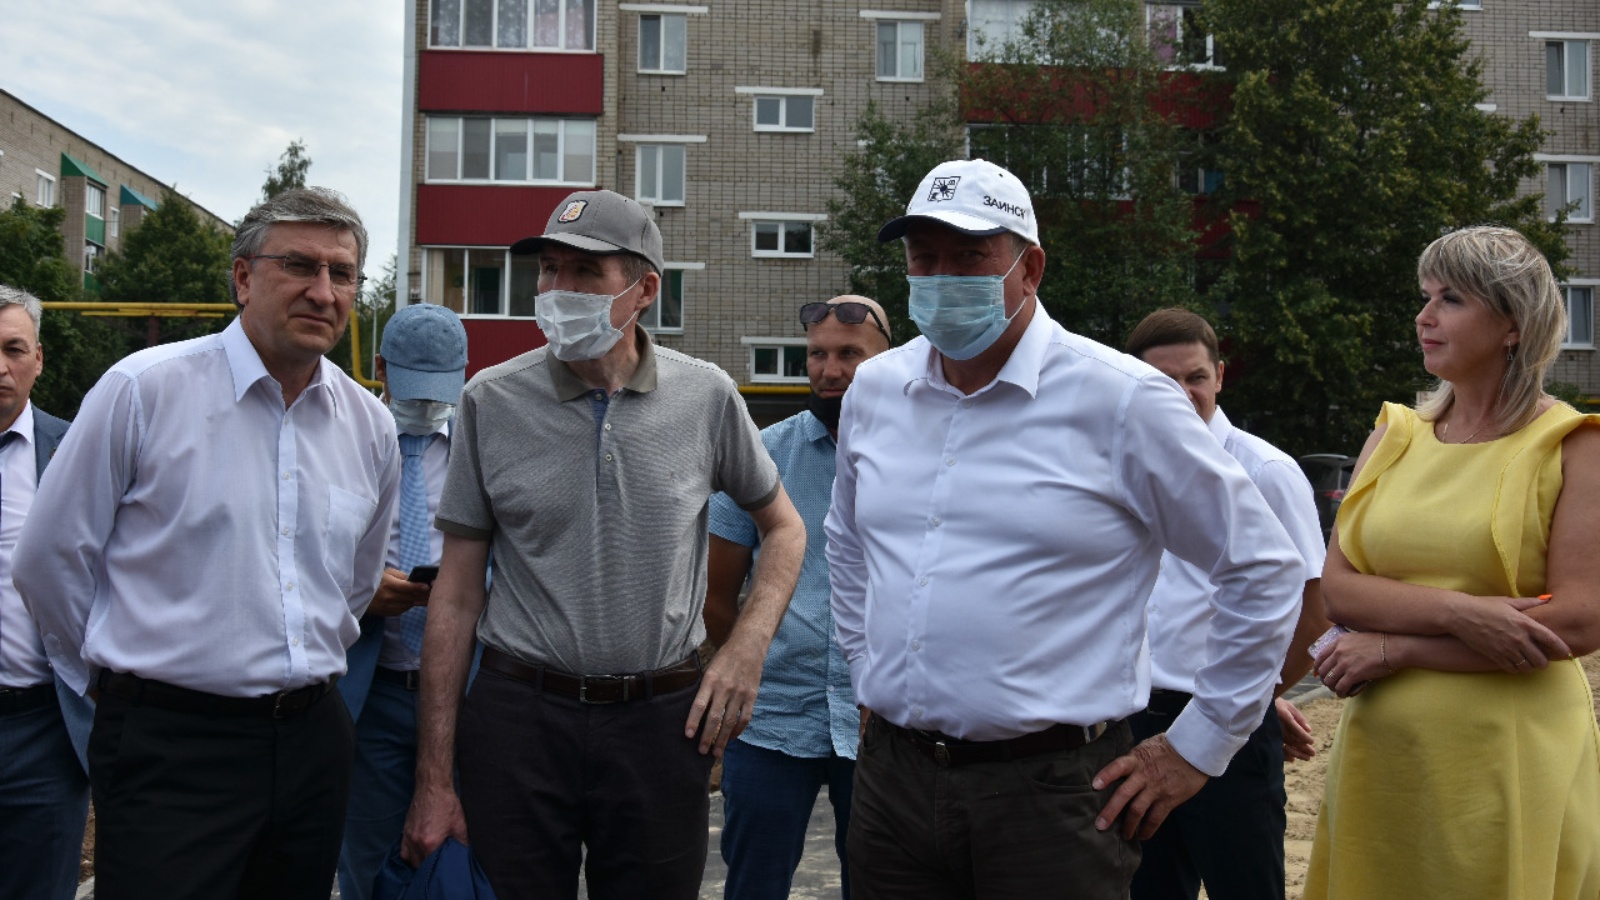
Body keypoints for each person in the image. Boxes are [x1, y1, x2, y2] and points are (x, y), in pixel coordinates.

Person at [823, 158, 1306, 899]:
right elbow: (850, 542)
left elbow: (1262, 566)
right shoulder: (879, 389)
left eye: (969, 256)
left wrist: (1200, 744)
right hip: (895, 783)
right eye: (924, 256)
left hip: (1051, 795)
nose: (941, 277)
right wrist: (867, 668)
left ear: (1030, 268)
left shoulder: (1121, 399)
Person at [401, 189, 806, 899]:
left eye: (585, 272)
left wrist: (745, 649)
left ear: (644, 290)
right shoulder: (490, 400)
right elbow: (457, 597)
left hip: (660, 721)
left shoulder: (706, 397)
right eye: (548, 269)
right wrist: (433, 780)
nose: (556, 289)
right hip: (520, 718)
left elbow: (785, 527)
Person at [15, 187, 401, 899]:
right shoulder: (143, 390)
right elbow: (49, 560)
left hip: (312, 742)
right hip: (171, 745)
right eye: (299, 266)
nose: (323, 292)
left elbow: (353, 583)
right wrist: (110, 686)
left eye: (342, 273)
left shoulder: (370, 426)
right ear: (244, 277)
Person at [1304, 226, 1600, 898]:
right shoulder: (1395, 433)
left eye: (1452, 299)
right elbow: (1341, 591)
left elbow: (1579, 620)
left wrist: (1398, 648)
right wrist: (1463, 613)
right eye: (1425, 296)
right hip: (1386, 756)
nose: (1425, 316)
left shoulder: (1573, 443)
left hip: (1509, 752)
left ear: (1514, 325)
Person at [1123, 308, 1328, 900]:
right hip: (1132, 722)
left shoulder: (1265, 471)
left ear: (1219, 375)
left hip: (1228, 731)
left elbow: (1314, 610)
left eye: (1195, 377)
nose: (1184, 394)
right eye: (1164, 381)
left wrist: (1251, 697)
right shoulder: (1121, 465)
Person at [705, 294, 892, 900]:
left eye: (849, 354)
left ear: (888, 359)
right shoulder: (763, 454)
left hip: (885, 720)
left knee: (883, 884)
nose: (829, 371)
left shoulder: (923, 456)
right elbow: (715, 594)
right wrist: (750, 666)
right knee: (753, 885)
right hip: (771, 720)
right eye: (816, 354)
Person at [337, 303, 468, 900]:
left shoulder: (482, 446)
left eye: (439, 391)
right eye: (413, 390)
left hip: (465, 694)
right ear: (381, 368)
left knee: (465, 863)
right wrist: (360, 592)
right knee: (369, 863)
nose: (425, 405)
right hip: (370, 691)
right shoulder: (343, 442)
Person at [0, 285, 90, 900]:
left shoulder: (76, 452)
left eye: (13, 349)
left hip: (43, 734)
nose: (0, 367)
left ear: (38, 359)